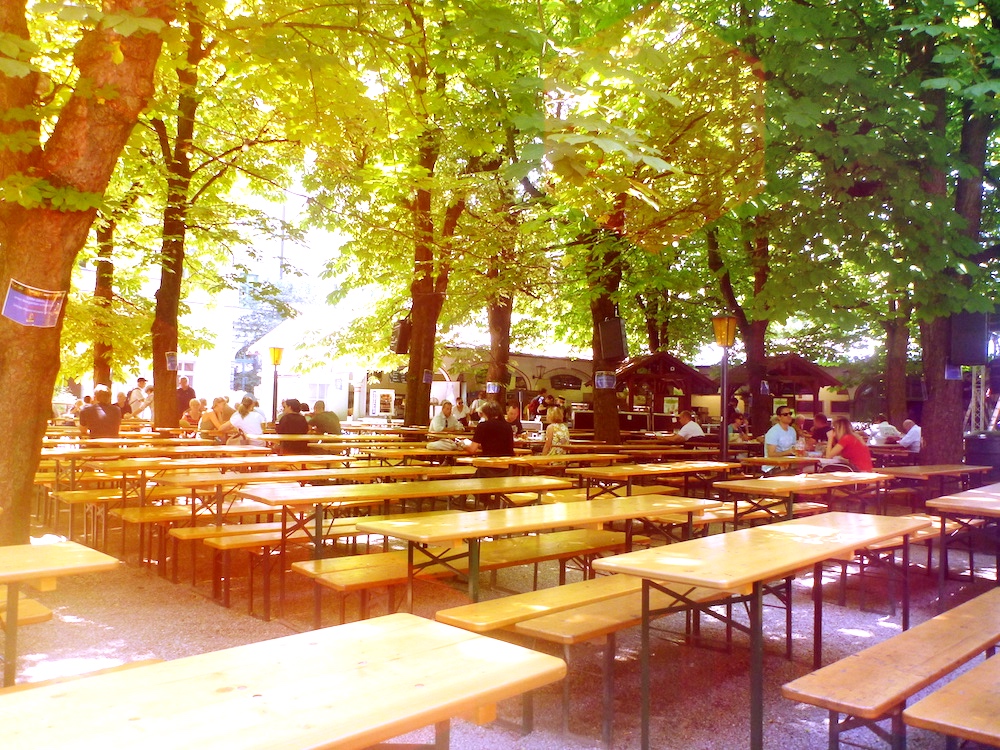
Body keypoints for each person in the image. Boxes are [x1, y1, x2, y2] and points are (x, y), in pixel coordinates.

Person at [763, 405, 798, 472]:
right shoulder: (773, 431)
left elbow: (794, 448)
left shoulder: (792, 430)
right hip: (773, 467)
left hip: (788, 464)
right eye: (785, 414)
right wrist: (788, 452)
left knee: (808, 469)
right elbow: (771, 454)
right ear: (779, 417)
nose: (789, 416)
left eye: (790, 414)